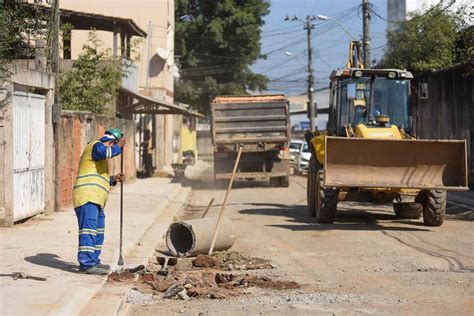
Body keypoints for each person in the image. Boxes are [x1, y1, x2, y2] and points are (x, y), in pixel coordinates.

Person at [73, 128, 126, 275]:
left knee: (98, 231)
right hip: (87, 197)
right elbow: (105, 152)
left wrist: (113, 179)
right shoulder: (96, 146)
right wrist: (119, 147)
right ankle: (87, 264)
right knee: (88, 231)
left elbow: (99, 176)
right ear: (110, 142)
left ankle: (94, 261)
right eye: (113, 145)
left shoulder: (99, 157)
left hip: (96, 199)